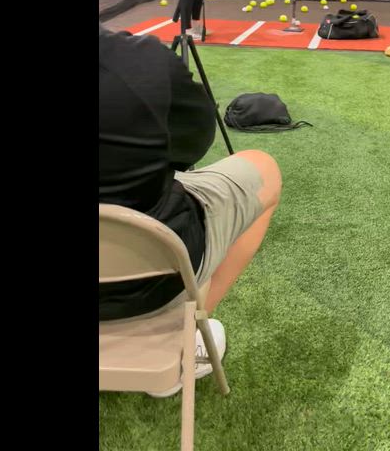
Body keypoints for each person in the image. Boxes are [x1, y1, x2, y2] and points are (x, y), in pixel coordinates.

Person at [99, 25, 280, 397]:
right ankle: (189, 335)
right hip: (150, 279)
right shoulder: (141, 59)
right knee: (264, 168)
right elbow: (192, 145)